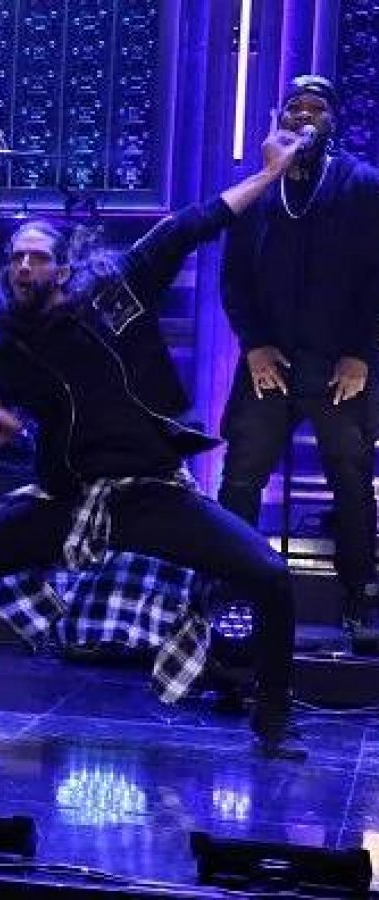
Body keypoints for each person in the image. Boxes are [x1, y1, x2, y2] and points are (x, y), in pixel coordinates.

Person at [0, 125, 306, 759]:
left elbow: (192, 225)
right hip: (69, 498)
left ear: (62, 267)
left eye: (38, 257)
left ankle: (273, 718)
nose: (25, 266)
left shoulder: (116, 292)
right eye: (16, 257)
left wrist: (272, 174)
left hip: (150, 491)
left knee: (271, 576)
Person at [217, 75, 379, 633]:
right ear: (277, 118)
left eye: (316, 109)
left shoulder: (363, 185)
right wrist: (254, 345)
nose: (304, 116)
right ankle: (232, 593)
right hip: (271, 363)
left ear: (333, 121)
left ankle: (361, 598)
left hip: (339, 364)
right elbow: (234, 279)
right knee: (241, 474)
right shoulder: (258, 188)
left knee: (352, 478)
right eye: (294, 108)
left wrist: (362, 353)